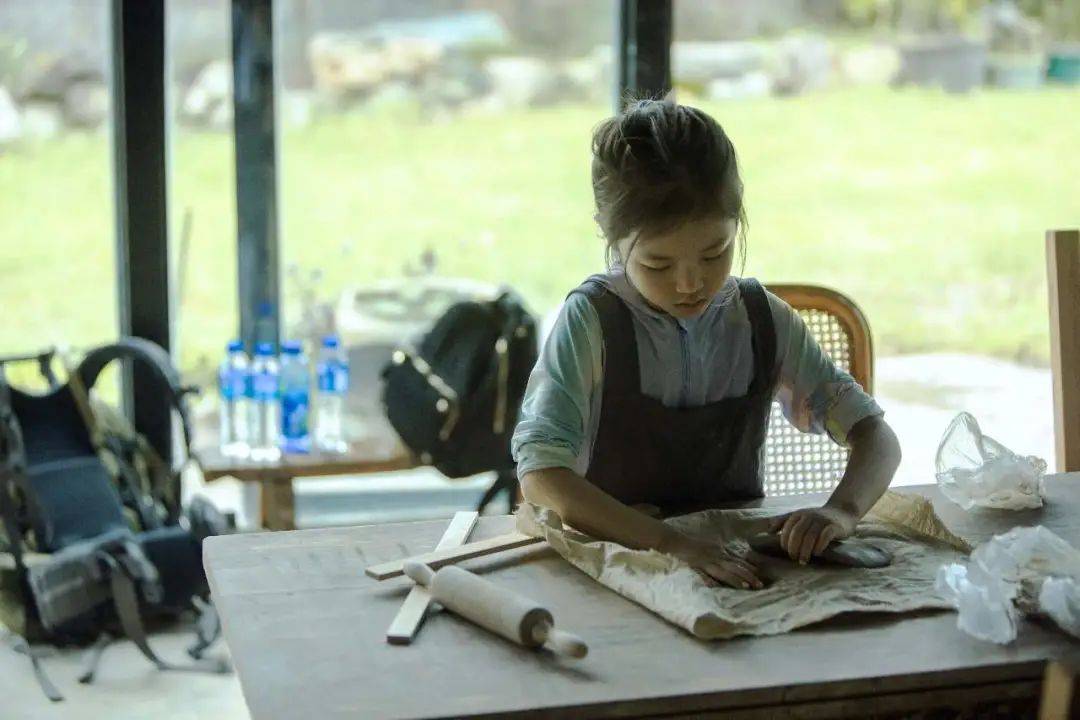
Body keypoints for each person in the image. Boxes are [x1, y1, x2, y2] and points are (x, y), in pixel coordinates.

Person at [511, 98, 901, 591]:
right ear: (610, 238)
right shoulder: (592, 323)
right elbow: (542, 475)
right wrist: (671, 543)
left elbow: (876, 436)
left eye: (715, 253)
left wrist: (841, 512)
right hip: (617, 569)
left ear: (738, 223)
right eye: (658, 264)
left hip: (737, 569)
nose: (690, 283)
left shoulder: (762, 321)